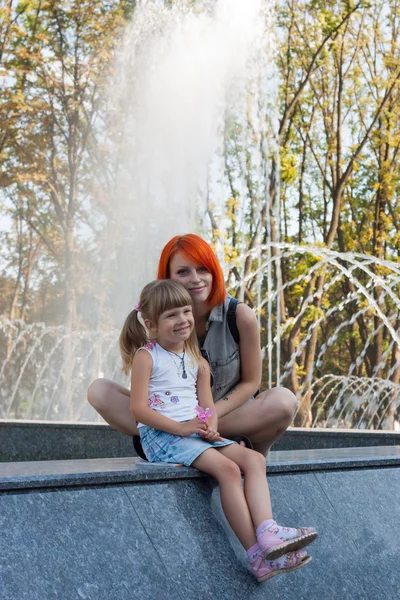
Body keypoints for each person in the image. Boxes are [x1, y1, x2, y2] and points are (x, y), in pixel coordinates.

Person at [119, 279, 316, 581]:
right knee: (227, 469)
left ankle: (268, 532)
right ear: (151, 324)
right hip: (163, 437)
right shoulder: (147, 356)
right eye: (171, 315)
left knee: (254, 460)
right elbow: (138, 410)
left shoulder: (197, 359)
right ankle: (258, 558)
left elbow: (207, 407)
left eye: (186, 311)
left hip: (192, 433)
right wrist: (182, 428)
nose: (182, 320)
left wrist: (209, 427)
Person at [88, 233, 298, 456]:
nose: (195, 278)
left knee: (284, 401)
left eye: (203, 269)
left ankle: (188, 441)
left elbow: (251, 383)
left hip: (227, 414)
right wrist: (181, 422)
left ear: (213, 271)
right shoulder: (154, 321)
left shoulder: (239, 316)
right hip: (171, 416)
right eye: (183, 272)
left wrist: (207, 417)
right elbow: (145, 393)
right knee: (99, 391)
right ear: (167, 277)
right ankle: (204, 442)